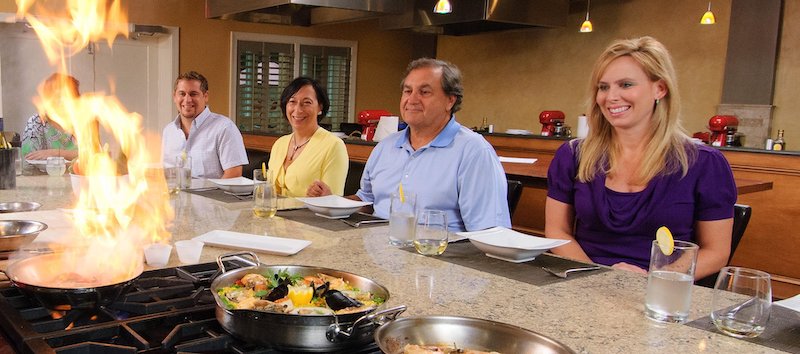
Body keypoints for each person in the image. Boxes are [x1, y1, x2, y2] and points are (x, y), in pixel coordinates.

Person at [545, 36, 736, 279]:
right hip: (582, 282)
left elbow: (716, 251)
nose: (611, 97)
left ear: (660, 88)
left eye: (625, 85)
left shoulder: (705, 163)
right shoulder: (572, 155)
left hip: (662, 292)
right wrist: (596, 277)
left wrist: (654, 279)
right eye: (603, 87)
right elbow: (557, 231)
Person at [311, 58, 511, 232]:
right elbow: (367, 201)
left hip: (437, 261)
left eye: (424, 92)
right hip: (376, 253)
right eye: (408, 91)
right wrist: (335, 202)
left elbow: (489, 231)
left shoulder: (474, 152)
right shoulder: (385, 147)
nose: (412, 100)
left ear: (450, 100)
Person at [267, 77, 348, 197]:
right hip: (273, 213)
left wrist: (325, 196)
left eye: (307, 103)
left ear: (320, 107)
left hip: (309, 215)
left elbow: (333, 201)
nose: (298, 109)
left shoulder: (333, 146)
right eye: (292, 102)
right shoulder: (280, 144)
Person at [162, 71, 248, 179]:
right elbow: (165, 174)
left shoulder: (225, 128)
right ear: (174, 97)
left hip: (213, 195)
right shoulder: (168, 131)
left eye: (193, 94)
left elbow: (234, 174)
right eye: (182, 94)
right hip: (174, 195)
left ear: (205, 96)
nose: (187, 100)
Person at [21, 73, 80, 161]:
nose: (61, 101)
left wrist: (57, 153)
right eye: (56, 96)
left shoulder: (82, 120)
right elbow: (29, 160)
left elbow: (93, 155)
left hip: (78, 174)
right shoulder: (37, 122)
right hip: (42, 174)